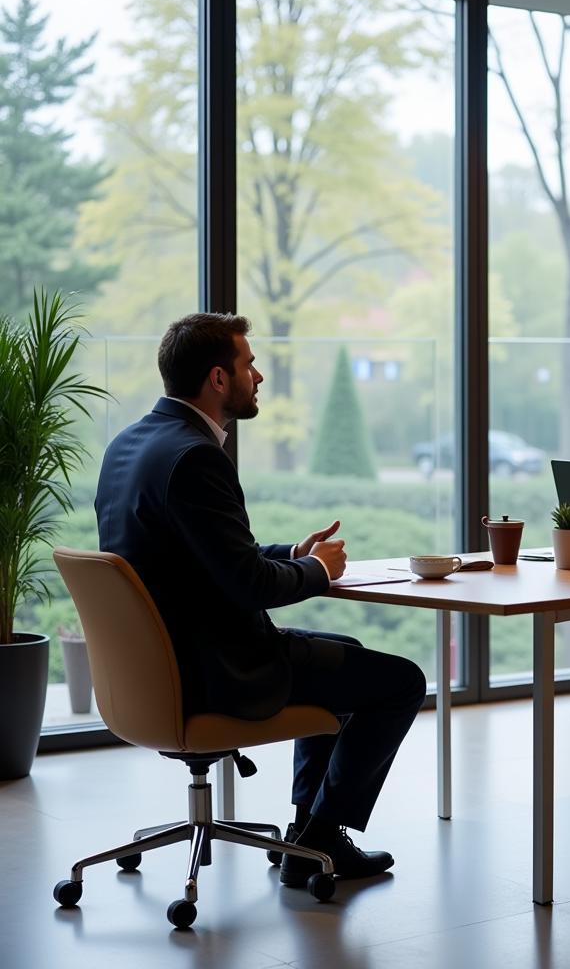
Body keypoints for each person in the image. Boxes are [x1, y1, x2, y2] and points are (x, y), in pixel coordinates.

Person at [95, 312, 427, 886]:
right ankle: (323, 836)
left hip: (155, 671)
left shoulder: (132, 445)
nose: (259, 375)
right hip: (218, 670)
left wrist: (294, 553)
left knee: (343, 651)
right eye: (249, 363)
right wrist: (316, 572)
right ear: (218, 379)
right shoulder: (197, 457)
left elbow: (207, 555)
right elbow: (249, 584)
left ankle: (309, 834)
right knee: (401, 682)